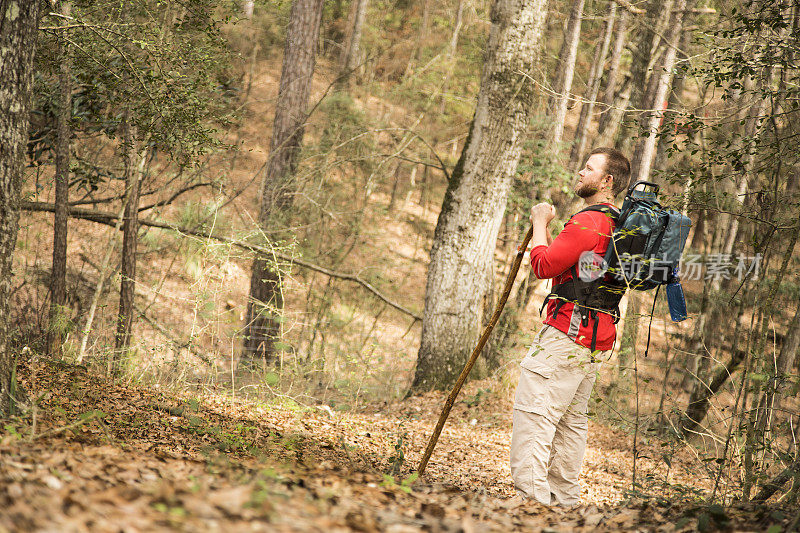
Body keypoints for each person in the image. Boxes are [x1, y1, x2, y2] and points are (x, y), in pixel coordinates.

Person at [509, 147, 631, 507]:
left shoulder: (589, 222)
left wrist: (540, 224)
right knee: (571, 421)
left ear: (606, 181)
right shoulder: (619, 223)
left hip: (567, 332)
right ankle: (564, 503)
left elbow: (544, 265)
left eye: (589, 168)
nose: (580, 172)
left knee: (535, 413)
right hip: (597, 337)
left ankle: (531, 505)